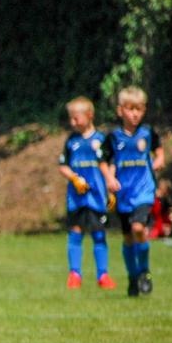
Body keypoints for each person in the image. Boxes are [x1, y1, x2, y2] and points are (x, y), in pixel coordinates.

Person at [99, 86, 163, 297]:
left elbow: (159, 153)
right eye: (130, 109)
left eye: (139, 109)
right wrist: (109, 178)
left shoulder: (148, 133)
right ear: (120, 111)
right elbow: (103, 161)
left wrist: (159, 161)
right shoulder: (113, 137)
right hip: (123, 194)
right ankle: (132, 276)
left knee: (138, 228)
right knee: (127, 238)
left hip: (144, 191)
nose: (134, 114)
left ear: (144, 110)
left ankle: (144, 271)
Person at [57, 96, 113, 290]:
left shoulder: (101, 140)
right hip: (76, 198)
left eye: (76, 118)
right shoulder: (72, 141)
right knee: (75, 233)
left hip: (97, 196)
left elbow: (110, 165)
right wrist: (74, 178)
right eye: (71, 118)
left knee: (99, 234)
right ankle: (74, 274)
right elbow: (62, 166)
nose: (72, 122)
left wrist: (111, 189)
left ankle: (103, 275)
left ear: (90, 115)